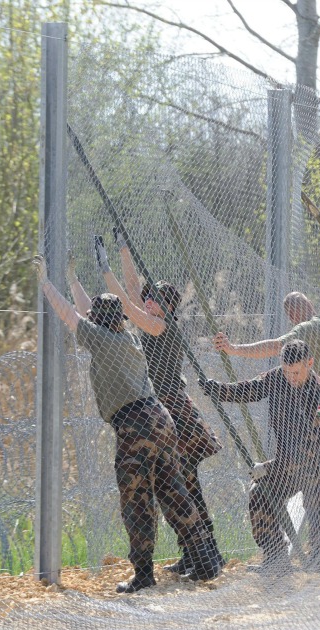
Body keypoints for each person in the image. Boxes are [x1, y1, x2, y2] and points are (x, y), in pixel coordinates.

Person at [33, 254, 222, 592]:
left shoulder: (102, 340)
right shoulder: (127, 337)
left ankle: (144, 574)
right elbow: (86, 313)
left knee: (137, 501)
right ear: (119, 318)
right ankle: (205, 559)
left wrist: (48, 283)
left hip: (134, 425)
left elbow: (71, 315)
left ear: (99, 323)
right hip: (161, 420)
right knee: (174, 491)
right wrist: (73, 279)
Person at [94, 234, 224, 576]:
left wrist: (109, 276)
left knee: (184, 485)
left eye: (158, 300)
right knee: (179, 484)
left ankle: (205, 553)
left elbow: (129, 301)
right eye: (151, 299)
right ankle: (196, 553)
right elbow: (134, 292)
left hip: (174, 412)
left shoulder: (162, 327)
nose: (149, 302)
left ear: (169, 308)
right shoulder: (151, 318)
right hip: (164, 413)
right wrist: (123, 251)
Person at [200, 340, 320, 574]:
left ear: (310, 363)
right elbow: (249, 389)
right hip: (288, 465)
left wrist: (269, 466)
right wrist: (216, 389)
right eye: (287, 371)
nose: (291, 377)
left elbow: (310, 449)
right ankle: (276, 561)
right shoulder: (277, 378)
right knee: (260, 494)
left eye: (296, 372)